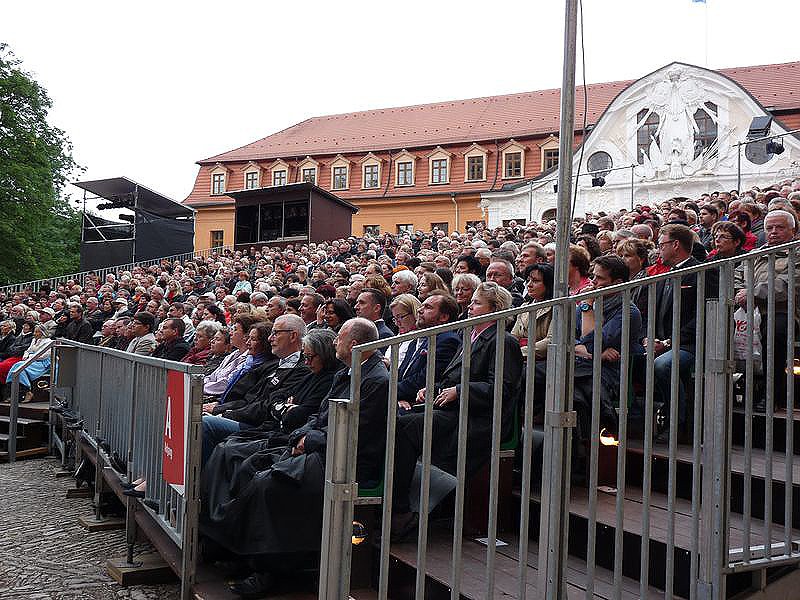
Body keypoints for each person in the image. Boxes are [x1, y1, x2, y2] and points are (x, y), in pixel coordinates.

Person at [201, 318, 388, 598]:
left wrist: (307, 439)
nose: (336, 341)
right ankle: (234, 547)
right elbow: (319, 415)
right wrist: (302, 435)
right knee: (247, 464)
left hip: (344, 459)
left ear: (357, 345)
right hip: (318, 446)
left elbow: (357, 432)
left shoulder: (376, 381)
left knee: (268, 484)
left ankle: (271, 570)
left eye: (340, 337)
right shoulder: (348, 373)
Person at [391, 282, 523, 540]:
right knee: (398, 420)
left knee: (406, 427)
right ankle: (398, 505)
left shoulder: (503, 341)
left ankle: (401, 509)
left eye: (476, 303)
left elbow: (502, 389)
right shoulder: (470, 336)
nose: (469, 307)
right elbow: (451, 377)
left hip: (478, 417)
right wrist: (433, 389)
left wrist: (460, 391)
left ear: (494, 309)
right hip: (455, 409)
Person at [201, 315, 310, 463]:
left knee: (205, 424)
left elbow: (268, 406)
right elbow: (249, 398)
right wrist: (223, 410)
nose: (271, 338)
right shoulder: (272, 366)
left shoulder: (302, 369)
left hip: (261, 427)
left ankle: (199, 483)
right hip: (245, 416)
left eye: (276, 333)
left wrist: (227, 413)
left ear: (293, 336)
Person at [734, 210, 800, 410]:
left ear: (793, 230)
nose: (773, 232)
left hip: (785, 310)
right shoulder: (755, 254)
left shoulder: (796, 253)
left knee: (775, 331)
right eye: (769, 228)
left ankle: (772, 394)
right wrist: (740, 293)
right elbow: (735, 276)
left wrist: (753, 293)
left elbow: (790, 284)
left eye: (779, 227)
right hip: (748, 309)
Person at [396, 292, 461, 411]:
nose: (420, 310)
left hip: (422, 404)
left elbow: (425, 378)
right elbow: (400, 373)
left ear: (444, 317)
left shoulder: (448, 340)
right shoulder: (422, 339)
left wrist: (392, 392)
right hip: (404, 398)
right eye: (422, 306)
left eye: (428, 307)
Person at [510, 264, 554, 361]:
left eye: (535, 281)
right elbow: (514, 336)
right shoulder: (525, 306)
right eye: (528, 280)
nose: (529, 284)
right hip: (522, 357)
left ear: (549, 284)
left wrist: (518, 353)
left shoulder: (558, 307)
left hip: (545, 362)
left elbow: (551, 341)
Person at [5, 323, 51, 402]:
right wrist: (26, 355)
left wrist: (30, 357)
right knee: (15, 367)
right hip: (31, 360)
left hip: (42, 363)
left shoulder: (48, 342)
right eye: (35, 332)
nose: (35, 334)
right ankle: (12, 394)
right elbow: (28, 350)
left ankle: (27, 391)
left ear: (42, 332)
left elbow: (43, 356)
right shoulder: (34, 340)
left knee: (21, 369)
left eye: (37, 332)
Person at [387, 294, 421, 367]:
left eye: (400, 317)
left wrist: (389, 365)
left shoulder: (421, 339)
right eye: (395, 318)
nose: (397, 323)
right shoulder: (400, 335)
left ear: (414, 313)